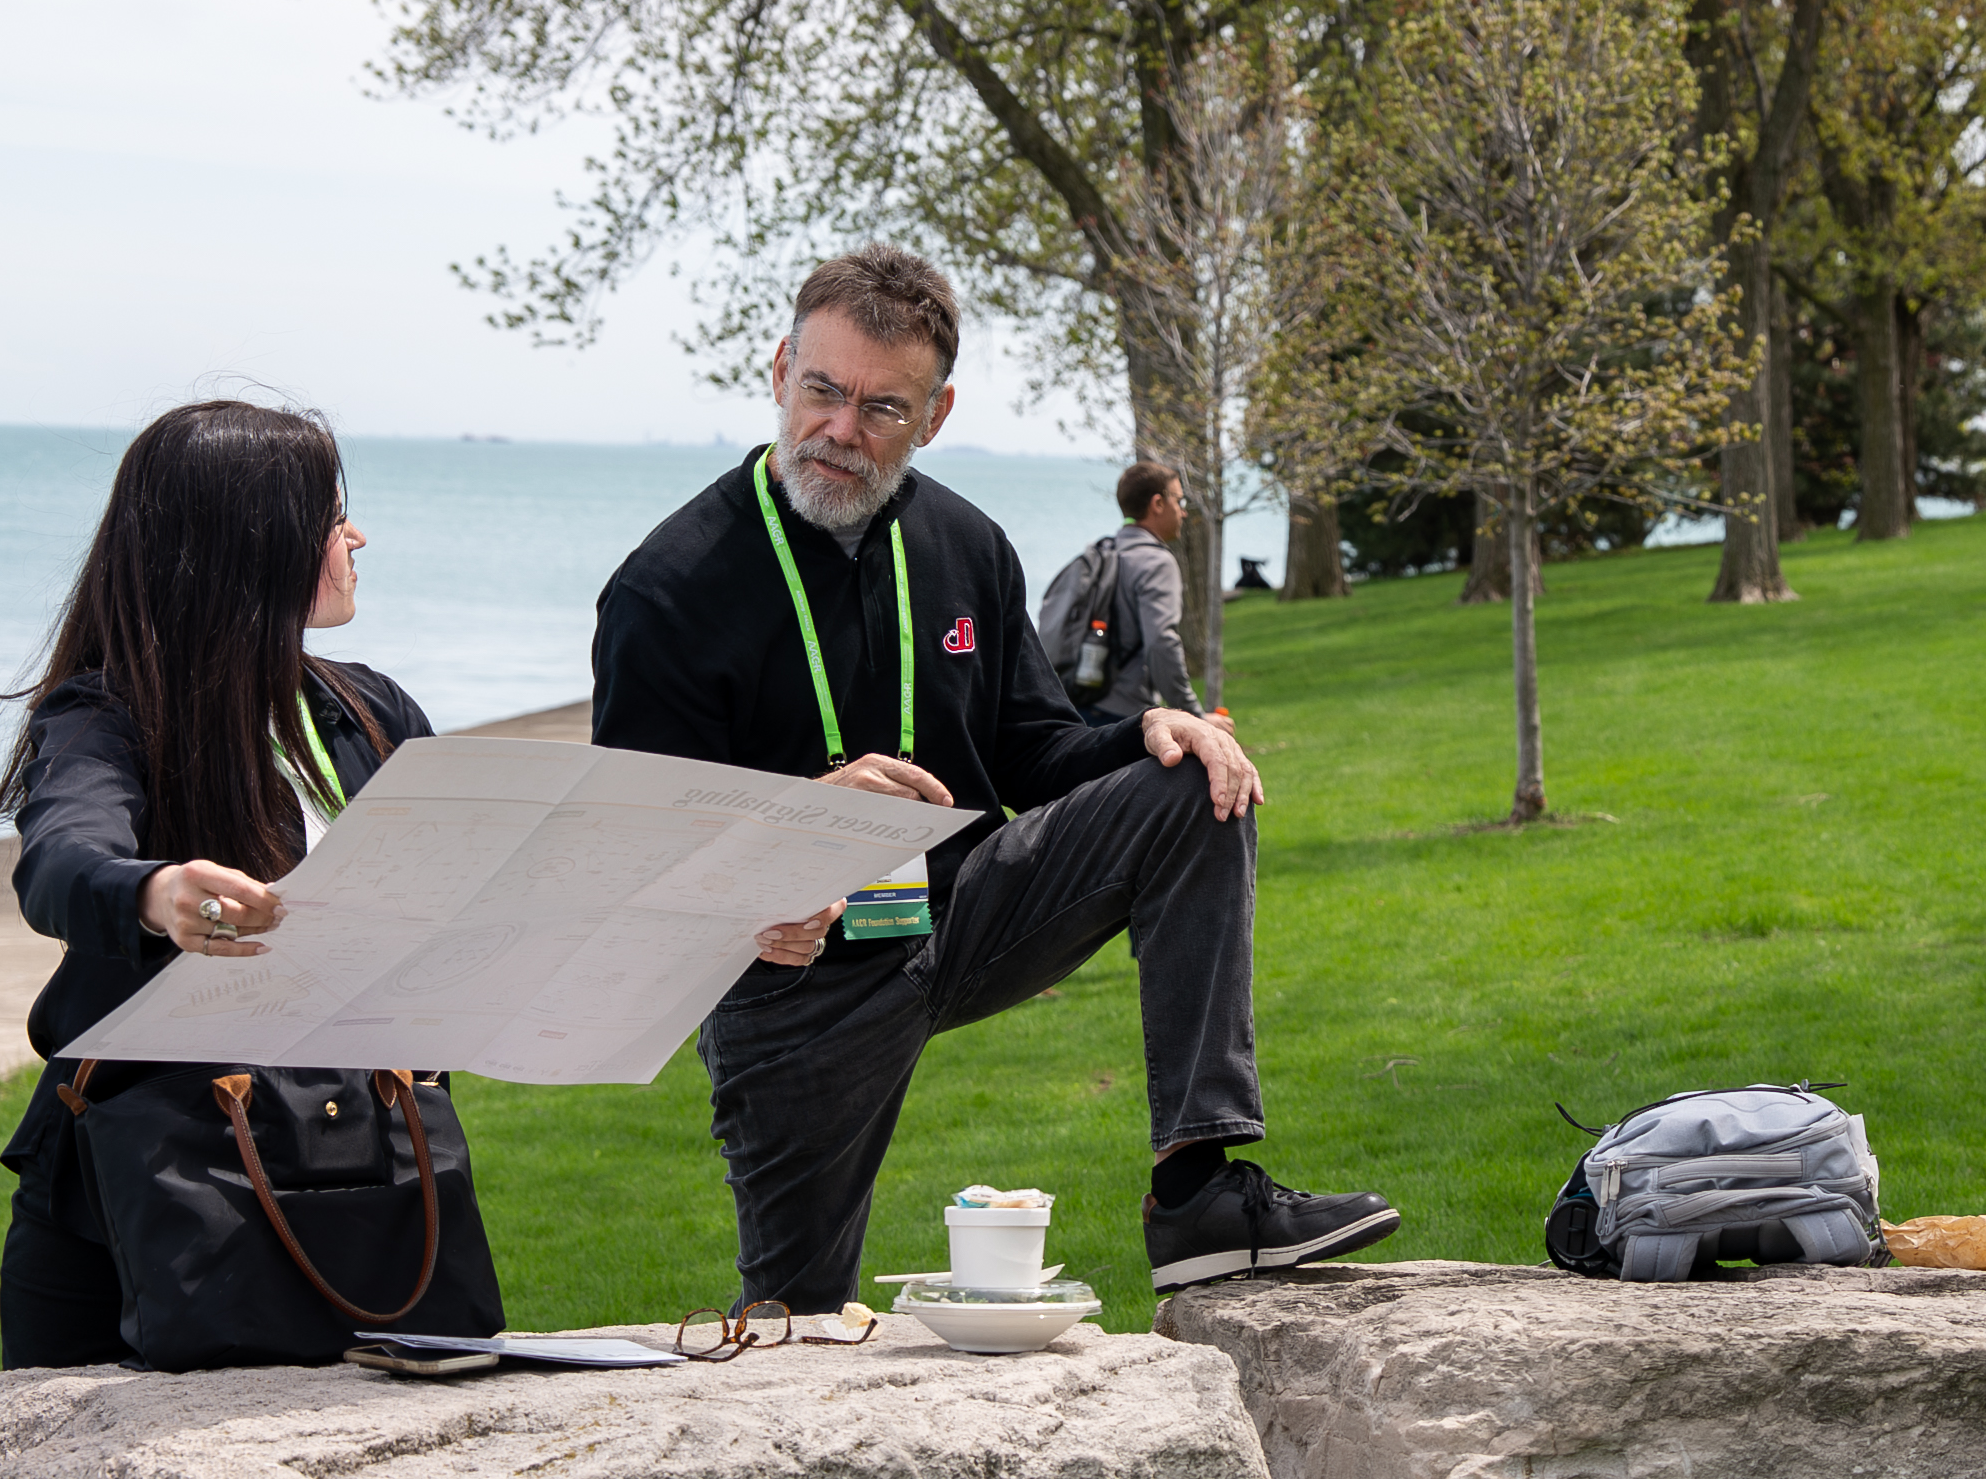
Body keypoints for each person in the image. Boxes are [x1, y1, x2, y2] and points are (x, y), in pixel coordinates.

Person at [591, 244, 1393, 1312]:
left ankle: (1197, 1193)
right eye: (823, 390)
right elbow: (627, 851)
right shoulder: (669, 586)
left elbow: (1035, 757)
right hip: (792, 979)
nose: (841, 429)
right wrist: (784, 842)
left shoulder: (967, 544)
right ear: (779, 370)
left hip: (963, 913)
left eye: (883, 407)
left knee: (1191, 788)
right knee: (793, 1325)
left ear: (935, 413)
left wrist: (1148, 725)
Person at [0, 401, 430, 1365]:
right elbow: (62, 859)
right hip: (142, 1183)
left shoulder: (371, 712)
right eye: (330, 516)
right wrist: (155, 894)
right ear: (255, 544)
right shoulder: (104, 714)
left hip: (356, 1162)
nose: (356, 537)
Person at [1034, 458, 1198, 719]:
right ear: (1158, 504)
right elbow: (1161, 643)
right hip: (1126, 716)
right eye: (1179, 501)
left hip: (1079, 705)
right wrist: (1192, 715)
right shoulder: (1156, 562)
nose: (1183, 511)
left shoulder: (1103, 552)